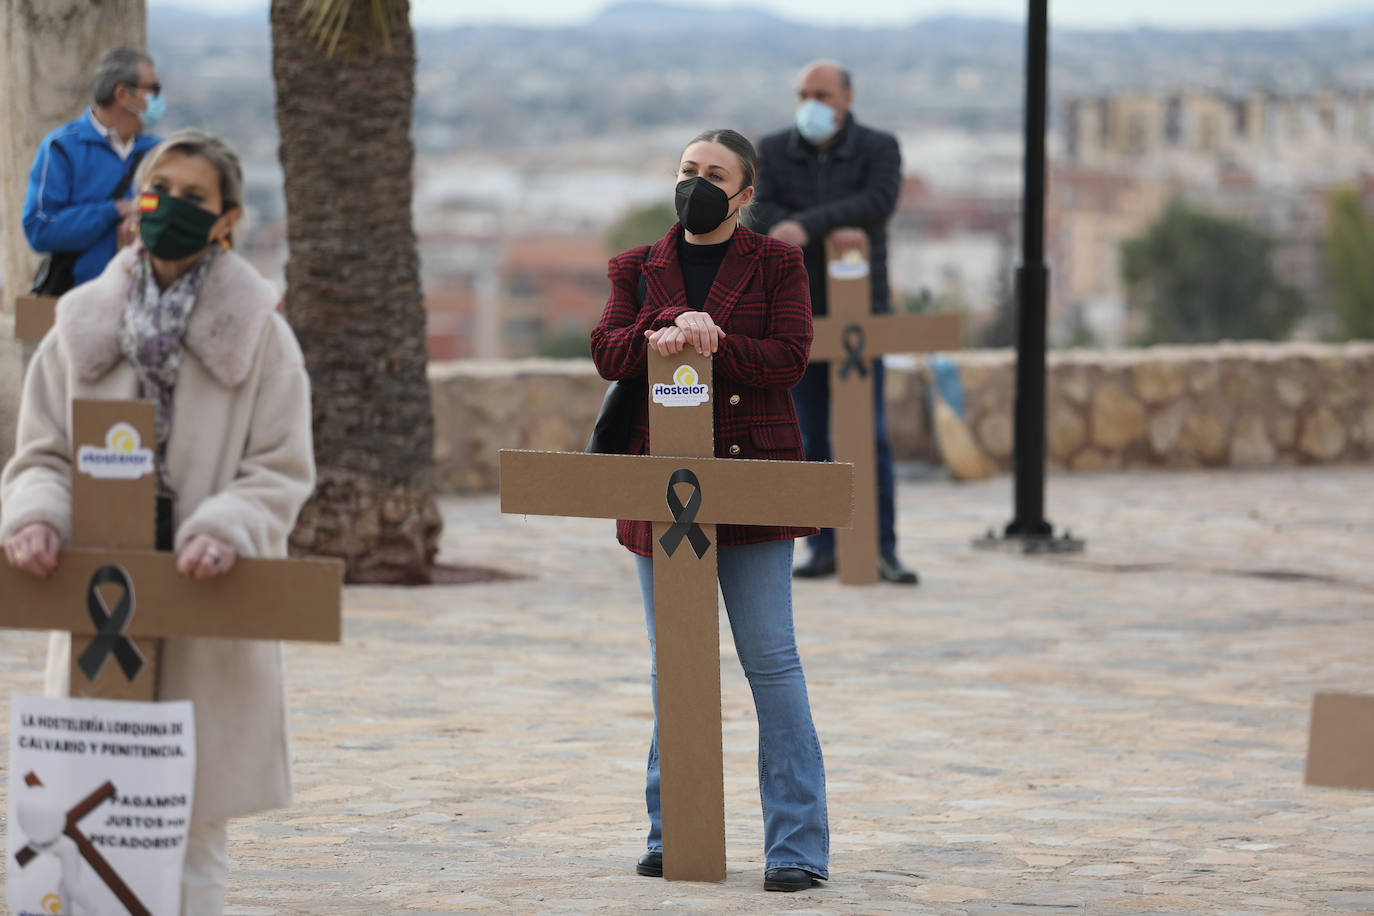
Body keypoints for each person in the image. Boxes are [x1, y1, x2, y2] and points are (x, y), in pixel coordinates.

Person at [1, 129, 314, 915]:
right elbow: (40, 455)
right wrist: (38, 517)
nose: (169, 206)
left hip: (206, 597)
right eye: (157, 186)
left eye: (193, 196)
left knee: (193, 835)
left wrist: (228, 526)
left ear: (226, 218)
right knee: (86, 832)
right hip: (100, 605)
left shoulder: (262, 334)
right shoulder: (76, 327)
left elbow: (279, 467)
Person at [590, 129, 829, 893]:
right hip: (662, 487)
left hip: (754, 481)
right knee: (676, 666)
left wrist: (715, 340)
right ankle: (673, 831)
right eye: (688, 169)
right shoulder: (636, 266)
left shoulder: (780, 263)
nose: (696, 182)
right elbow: (607, 351)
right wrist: (664, 333)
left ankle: (797, 848)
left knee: (773, 664)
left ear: (744, 193)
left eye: (714, 173)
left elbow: (790, 358)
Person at [750, 59, 919, 585]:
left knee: (868, 435)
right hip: (796, 312)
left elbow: (875, 204)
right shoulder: (774, 149)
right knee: (808, 434)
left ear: (846, 98)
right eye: (803, 93)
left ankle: (880, 547)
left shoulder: (878, 147)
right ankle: (822, 547)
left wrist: (806, 225)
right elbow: (762, 210)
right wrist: (818, 226)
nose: (811, 104)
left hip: (859, 312)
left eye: (821, 94)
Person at [22, 48, 166, 293]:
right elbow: (40, 229)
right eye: (153, 90)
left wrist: (142, 209)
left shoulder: (159, 152)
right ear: (123, 94)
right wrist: (114, 210)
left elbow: (167, 205)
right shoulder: (62, 148)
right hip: (80, 301)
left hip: (144, 302)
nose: (158, 100)